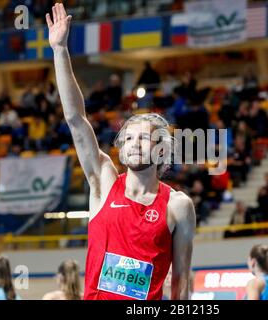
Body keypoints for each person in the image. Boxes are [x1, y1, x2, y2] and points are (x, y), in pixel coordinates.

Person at [46, 3, 196, 300]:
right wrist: (60, 50)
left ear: (161, 151)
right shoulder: (102, 181)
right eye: (128, 139)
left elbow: (180, 281)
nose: (134, 144)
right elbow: (76, 119)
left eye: (143, 139)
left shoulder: (178, 206)